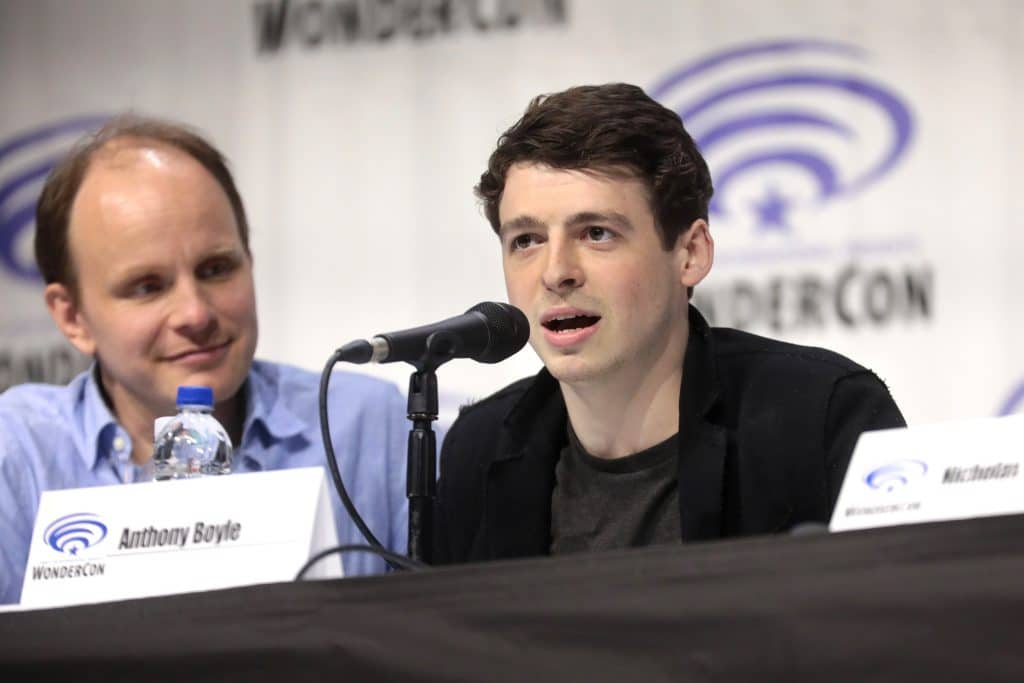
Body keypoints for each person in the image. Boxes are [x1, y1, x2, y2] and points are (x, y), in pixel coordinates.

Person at [433, 83, 906, 564]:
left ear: (690, 253)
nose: (556, 273)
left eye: (596, 233)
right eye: (527, 240)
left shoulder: (820, 415)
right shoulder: (478, 451)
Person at [0, 117, 408, 603]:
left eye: (216, 269)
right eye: (147, 287)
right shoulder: (17, 456)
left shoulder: (370, 426)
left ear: (249, 262)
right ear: (73, 318)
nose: (195, 314)